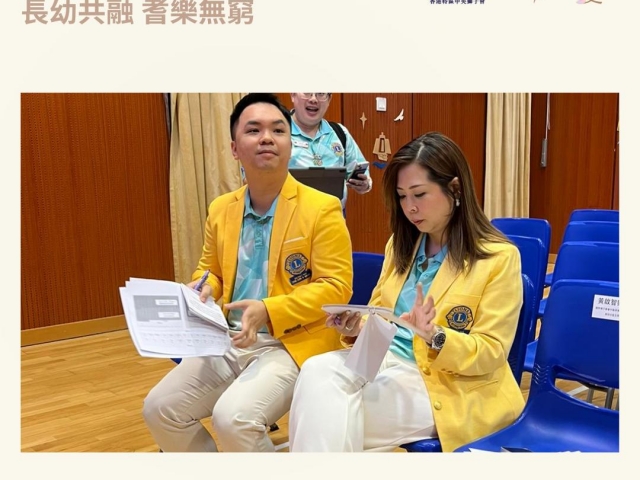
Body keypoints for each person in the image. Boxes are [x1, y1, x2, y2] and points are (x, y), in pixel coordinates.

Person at [288, 132, 525, 452]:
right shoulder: (400, 245)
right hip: (381, 360)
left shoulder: (498, 257)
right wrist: (356, 325)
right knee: (316, 371)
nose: (410, 208)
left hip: (445, 382)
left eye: (419, 194)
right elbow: (378, 312)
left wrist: (435, 336)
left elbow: (492, 351)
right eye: (402, 196)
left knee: (322, 413)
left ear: (455, 189)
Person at [142, 93, 353, 452]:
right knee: (159, 409)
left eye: (278, 130)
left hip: (290, 343)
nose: (267, 138)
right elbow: (211, 271)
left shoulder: (322, 208)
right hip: (228, 341)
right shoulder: (221, 209)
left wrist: (268, 309)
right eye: (253, 130)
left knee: (233, 419)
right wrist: (204, 287)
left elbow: (336, 287)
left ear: (290, 144)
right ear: (234, 148)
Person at [288, 93, 372, 210]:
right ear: (293, 95)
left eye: (321, 93)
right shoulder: (278, 132)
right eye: (307, 92)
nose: (313, 99)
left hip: (333, 216)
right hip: (290, 217)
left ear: (329, 99)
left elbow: (361, 172)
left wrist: (364, 184)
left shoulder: (339, 133)